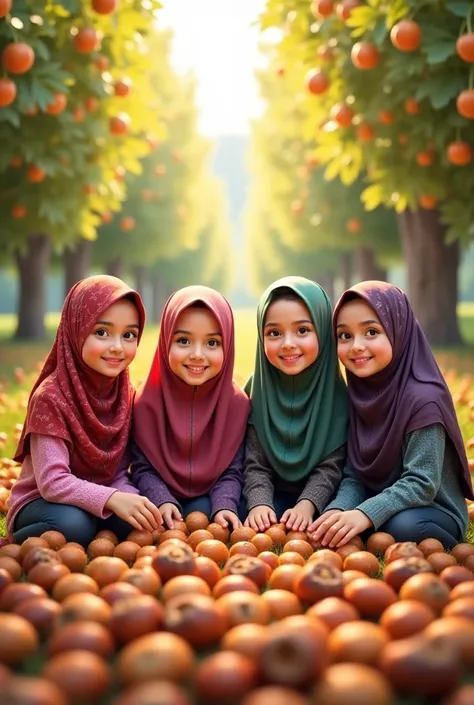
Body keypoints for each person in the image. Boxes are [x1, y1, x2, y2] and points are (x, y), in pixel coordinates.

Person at [310, 281, 473, 549]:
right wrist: (338, 510)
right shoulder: (358, 394)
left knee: (402, 526)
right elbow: (354, 475)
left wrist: (364, 514)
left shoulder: (424, 400)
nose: (356, 346)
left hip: (430, 509)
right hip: (377, 501)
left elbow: (422, 483)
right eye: (344, 336)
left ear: (399, 330)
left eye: (371, 332)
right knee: (334, 516)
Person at [7, 275, 162, 546]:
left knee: (135, 521)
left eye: (129, 335)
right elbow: (52, 482)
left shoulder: (124, 394)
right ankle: (14, 544)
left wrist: (128, 497)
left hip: (98, 497)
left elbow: (115, 473)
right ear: (76, 329)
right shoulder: (51, 397)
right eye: (102, 332)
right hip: (41, 502)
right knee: (74, 526)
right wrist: (112, 499)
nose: (117, 346)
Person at [131, 285, 249, 530]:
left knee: (209, 509)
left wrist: (225, 504)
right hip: (159, 501)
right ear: (165, 342)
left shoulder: (237, 405)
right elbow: (142, 467)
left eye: (212, 343)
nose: (197, 354)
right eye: (183, 340)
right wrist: (160, 499)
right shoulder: (145, 403)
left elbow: (233, 469)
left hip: (210, 499)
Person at [243, 276, 348, 533]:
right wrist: (258, 503)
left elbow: (332, 466)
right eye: (274, 333)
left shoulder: (339, 395)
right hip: (270, 496)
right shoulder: (257, 389)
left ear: (323, 330)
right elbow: (253, 461)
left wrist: (308, 503)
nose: (288, 343)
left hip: (323, 499)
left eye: (302, 330)